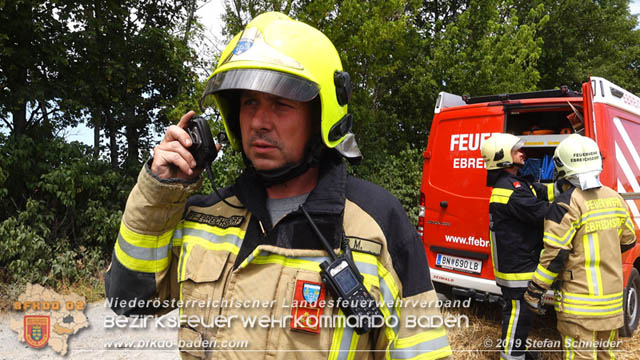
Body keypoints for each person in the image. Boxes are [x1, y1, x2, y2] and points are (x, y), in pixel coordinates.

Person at [104, 12, 452, 360]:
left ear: (320, 116)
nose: (258, 122)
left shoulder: (377, 225)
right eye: (249, 102)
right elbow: (128, 300)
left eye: (281, 104)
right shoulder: (204, 216)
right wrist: (160, 192)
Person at [524, 134, 636, 360]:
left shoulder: (566, 203)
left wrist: (535, 291)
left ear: (562, 169)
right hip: (612, 304)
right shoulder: (615, 198)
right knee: (607, 355)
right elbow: (629, 240)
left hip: (579, 305)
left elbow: (554, 256)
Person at [480, 133, 553, 360]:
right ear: (502, 157)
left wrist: (565, 187)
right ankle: (511, 356)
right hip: (516, 267)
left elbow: (541, 192)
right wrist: (569, 204)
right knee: (518, 314)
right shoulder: (509, 189)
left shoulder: (518, 183)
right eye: (517, 150)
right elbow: (542, 212)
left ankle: (517, 352)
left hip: (519, 262)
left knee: (521, 314)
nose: (523, 153)